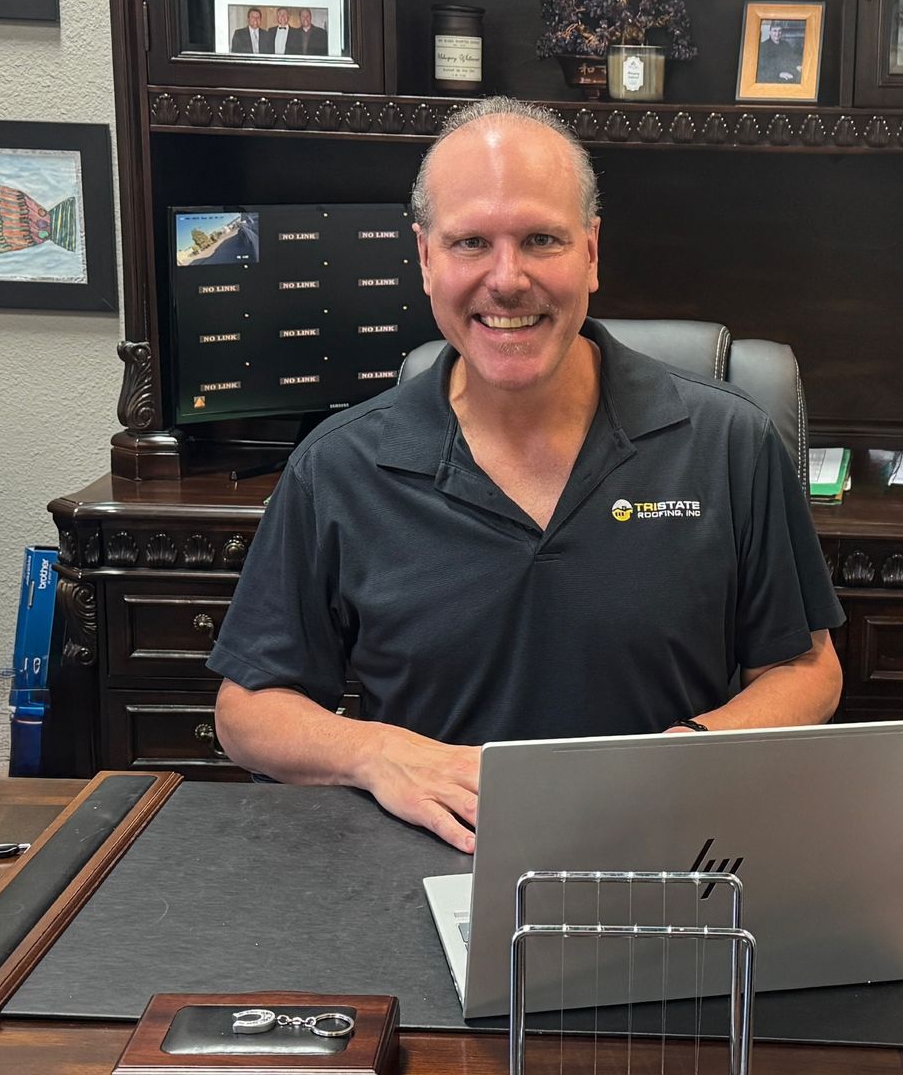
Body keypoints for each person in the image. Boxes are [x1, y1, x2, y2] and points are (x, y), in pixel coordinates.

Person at [206, 97, 845, 854]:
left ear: (592, 252)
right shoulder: (339, 466)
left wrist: (687, 751)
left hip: (667, 853)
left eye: (541, 239)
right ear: (425, 258)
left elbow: (807, 668)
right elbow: (247, 711)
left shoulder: (730, 442)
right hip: (428, 866)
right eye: (471, 242)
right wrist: (374, 753)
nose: (507, 281)